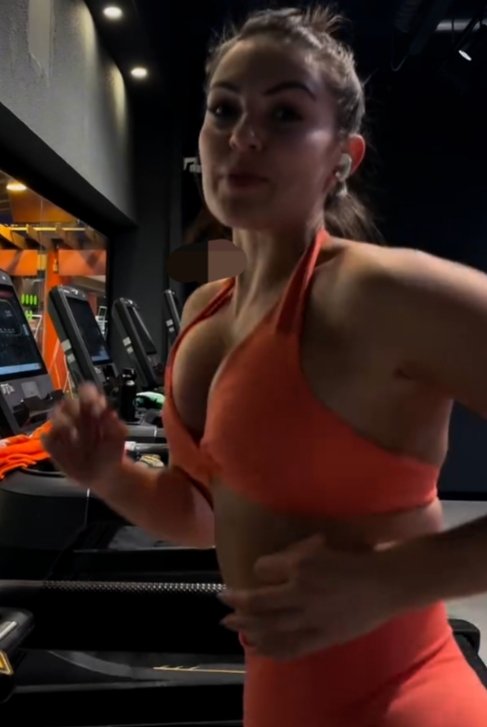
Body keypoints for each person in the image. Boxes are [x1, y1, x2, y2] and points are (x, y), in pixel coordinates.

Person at [43, 6, 487, 726]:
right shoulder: (207, 313)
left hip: (404, 695)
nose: (243, 136)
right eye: (224, 109)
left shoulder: (379, 294)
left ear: (342, 158)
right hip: (279, 698)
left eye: (284, 114)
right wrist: (110, 474)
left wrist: (388, 580)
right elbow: (204, 514)